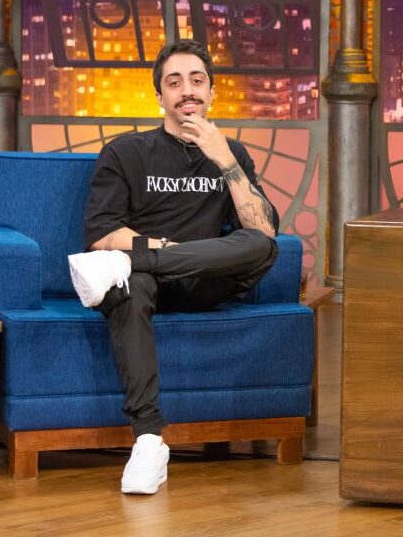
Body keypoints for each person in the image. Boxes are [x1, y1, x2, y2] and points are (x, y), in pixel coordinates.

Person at [66, 39, 279, 495]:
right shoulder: (126, 152)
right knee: (129, 284)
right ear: (159, 96)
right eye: (175, 82)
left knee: (261, 246)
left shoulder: (233, 154)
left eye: (197, 81)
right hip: (146, 285)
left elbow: (262, 229)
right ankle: (148, 440)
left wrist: (225, 160)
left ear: (212, 93)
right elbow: (102, 233)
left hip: (203, 280)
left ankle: (140, 263)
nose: (187, 91)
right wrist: (162, 251)